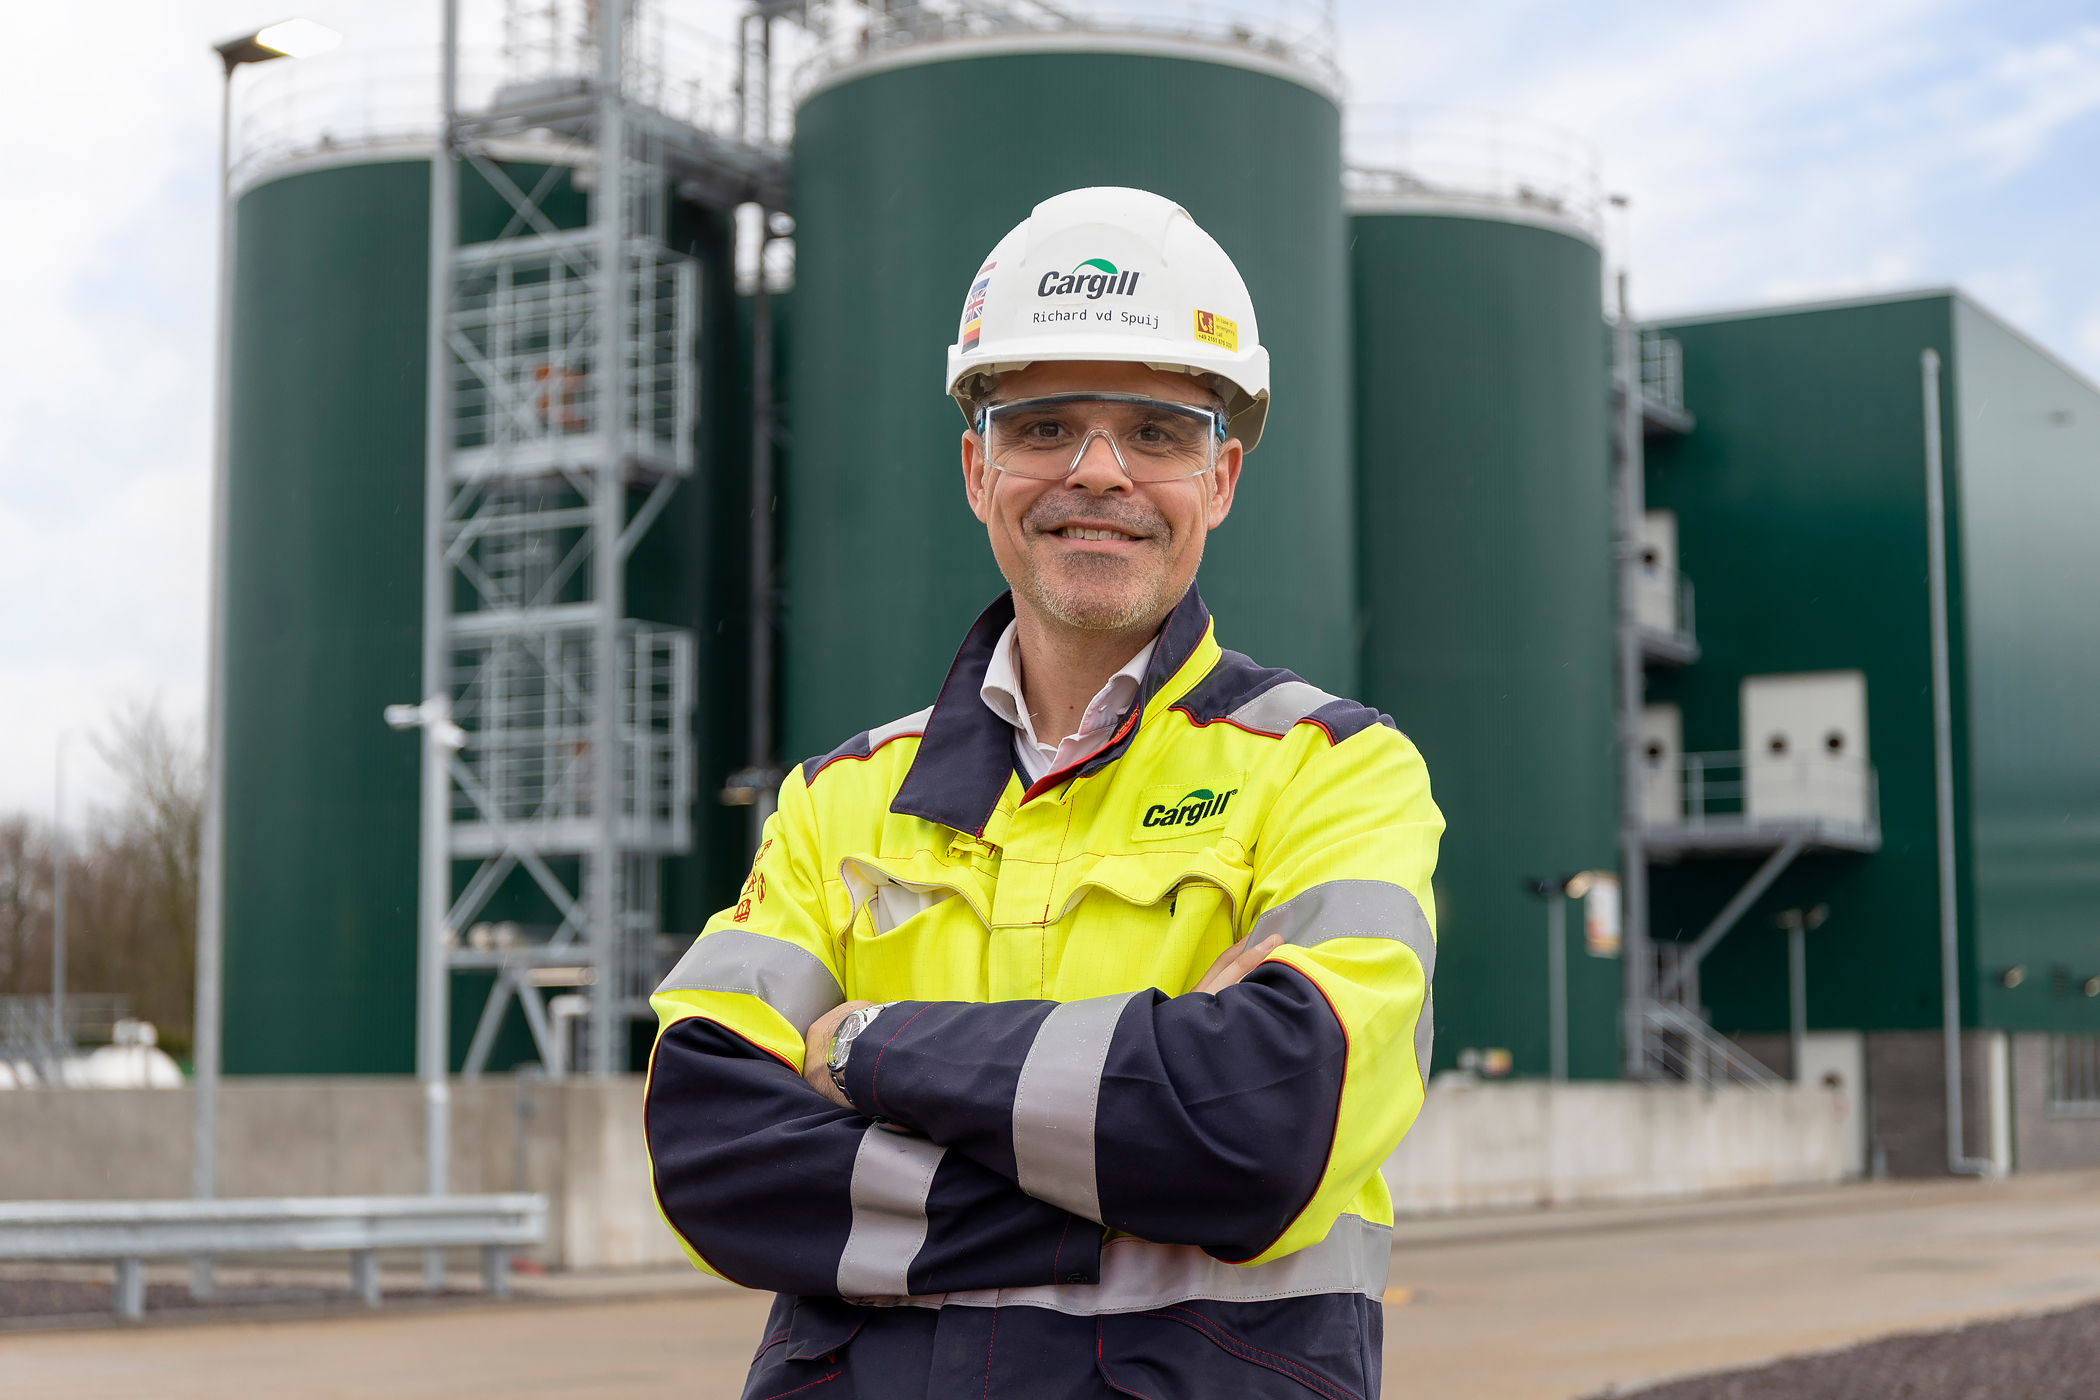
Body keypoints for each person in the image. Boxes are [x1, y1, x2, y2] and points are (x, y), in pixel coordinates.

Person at [645, 186, 1443, 1400]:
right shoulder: (838, 798)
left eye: (1159, 433)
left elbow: (1267, 1125)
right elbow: (710, 1141)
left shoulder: (1332, 768)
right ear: (979, 469)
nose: (1099, 472)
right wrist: (1137, 1180)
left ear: (1220, 477)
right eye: (1045, 427)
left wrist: (863, 1048)